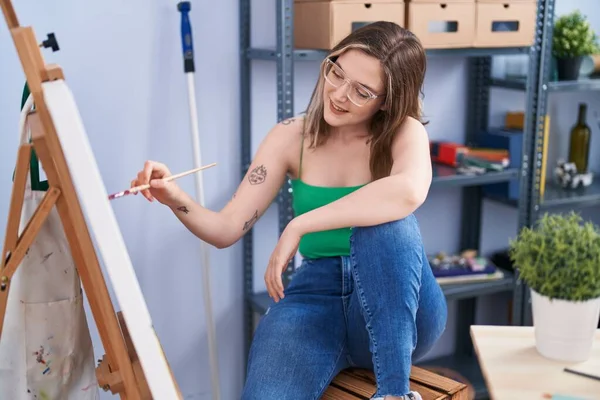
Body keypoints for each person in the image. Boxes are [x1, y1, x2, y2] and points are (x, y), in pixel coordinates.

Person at [131, 21, 447, 400]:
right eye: (336, 73)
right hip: (315, 298)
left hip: (397, 301)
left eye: (362, 91)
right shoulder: (290, 136)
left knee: (384, 226)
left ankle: (395, 394)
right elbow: (225, 229)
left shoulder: (405, 132)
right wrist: (174, 197)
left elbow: (408, 192)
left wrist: (301, 224)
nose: (339, 94)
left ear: (388, 101)